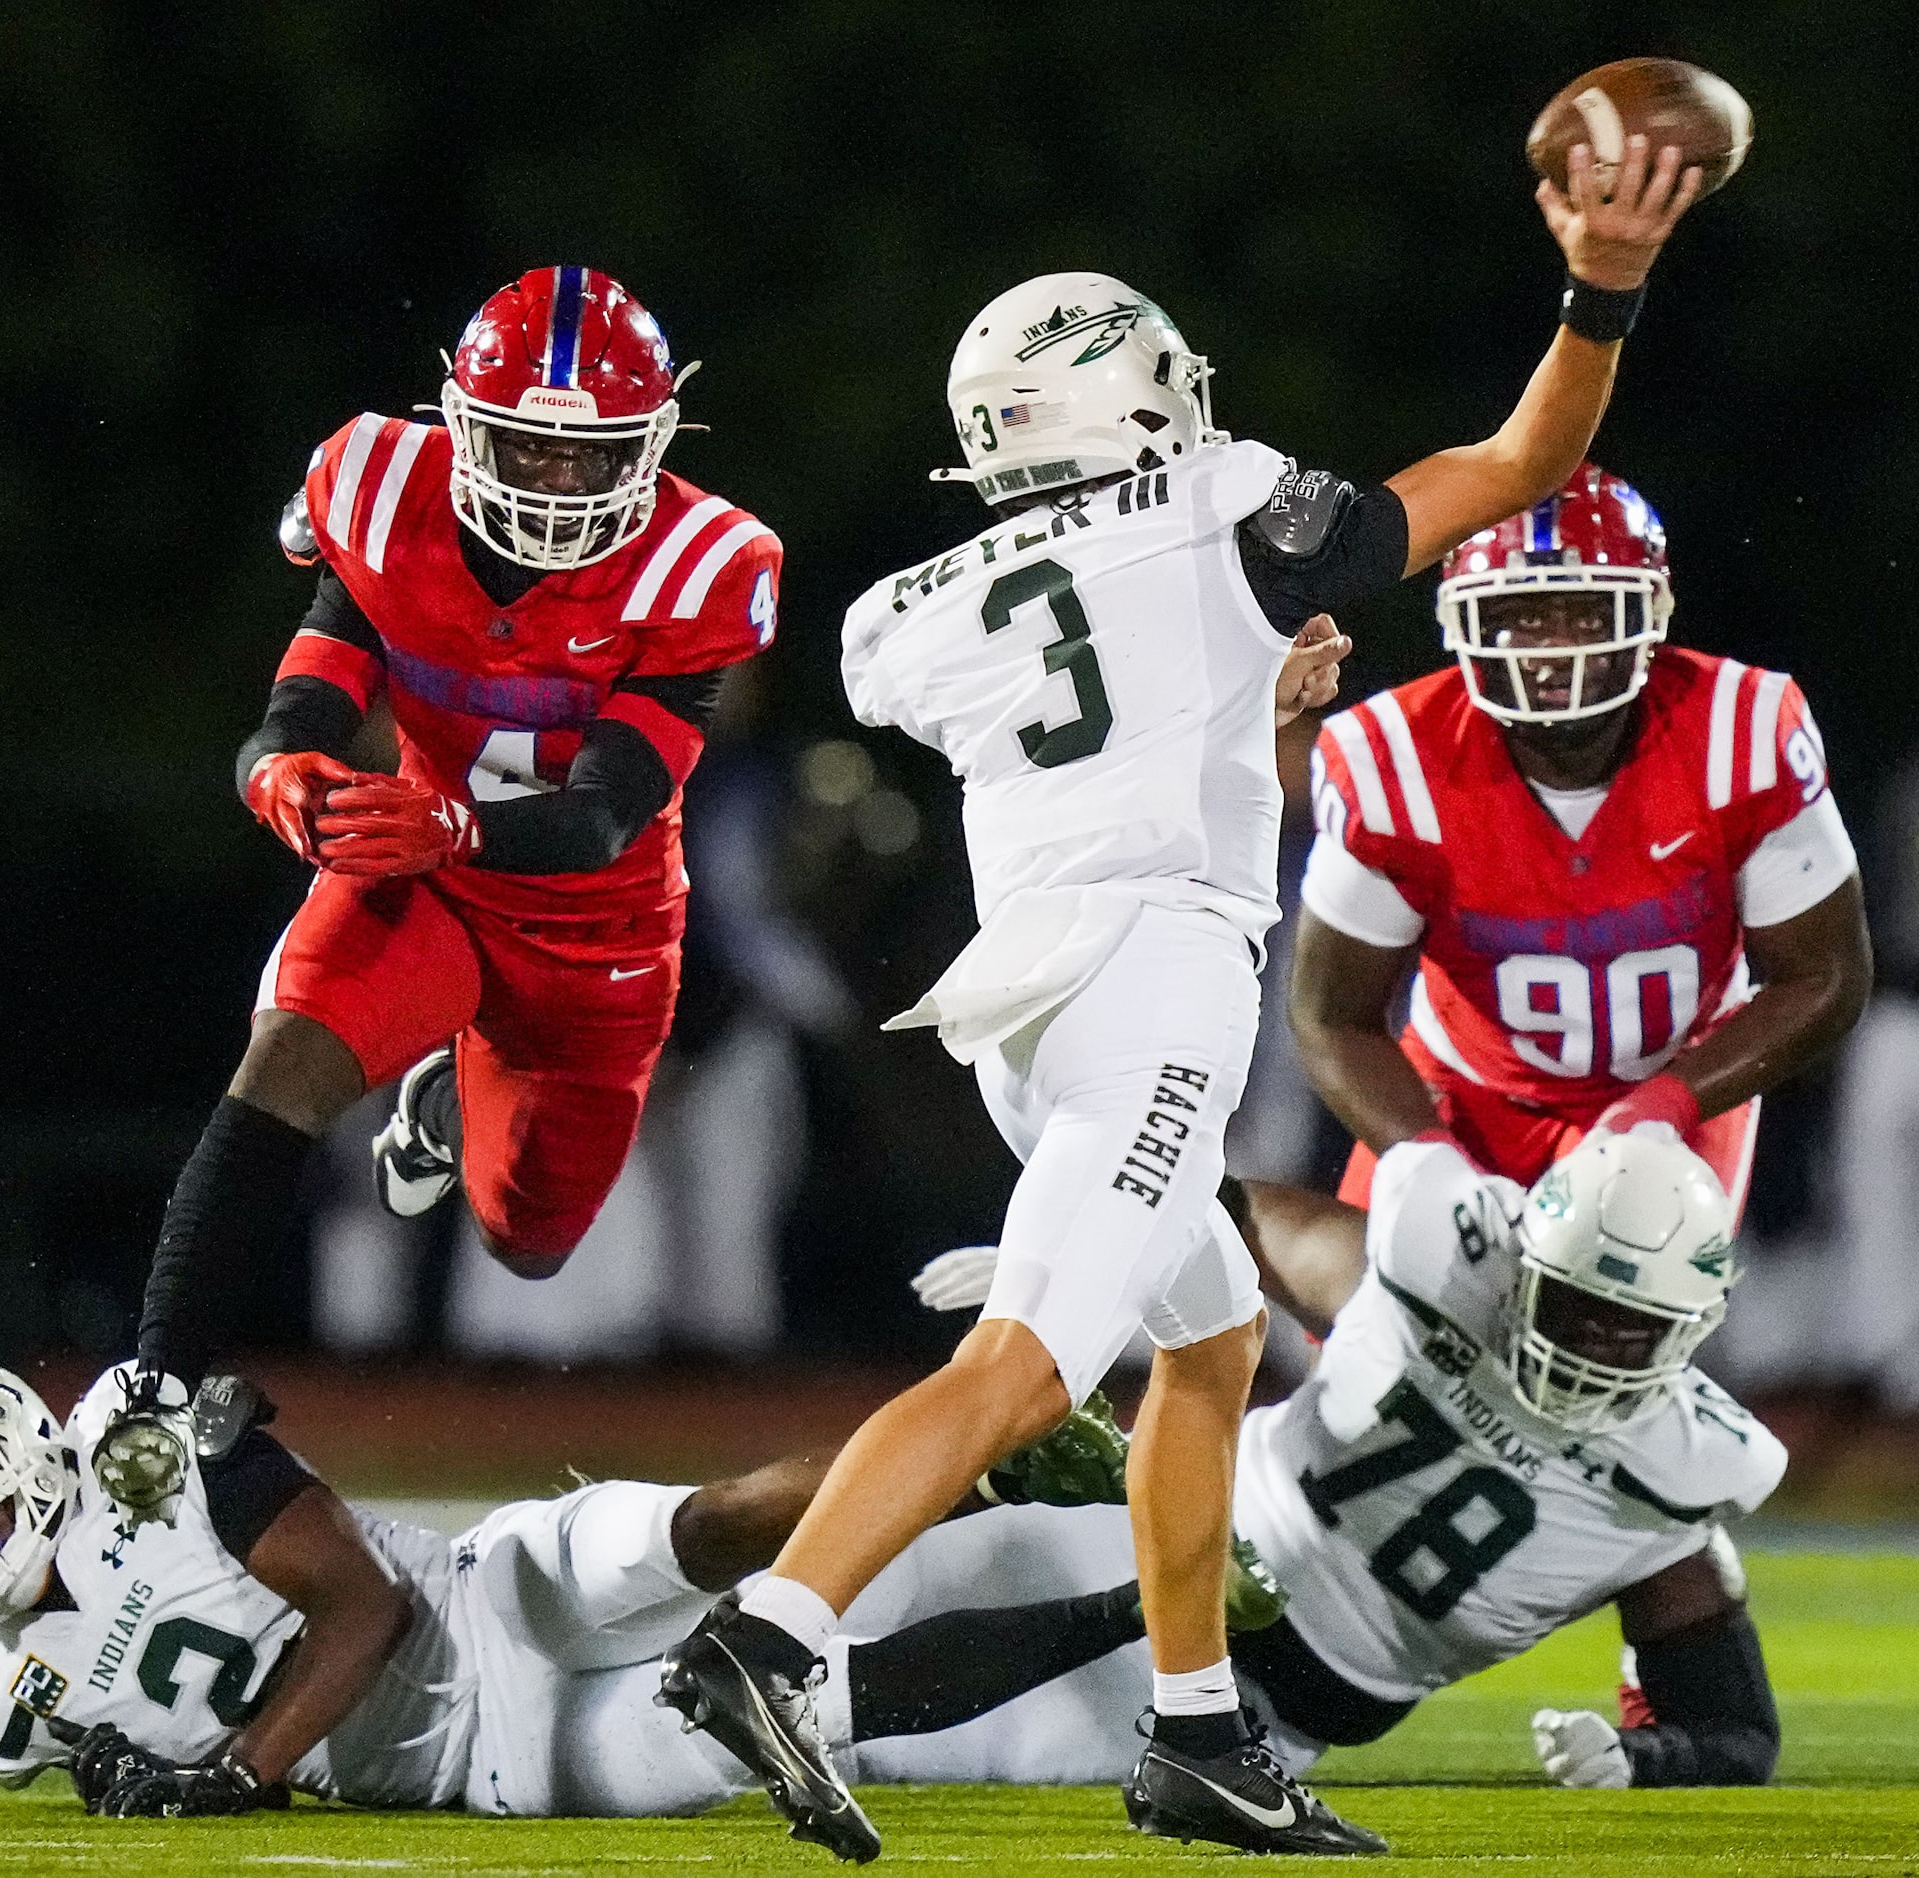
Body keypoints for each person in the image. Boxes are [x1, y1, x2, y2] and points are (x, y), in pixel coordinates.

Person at [664, 132, 1708, 1861]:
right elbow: (1521, 461)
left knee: (1209, 1340)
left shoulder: (913, 612)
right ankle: (773, 1631)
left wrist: (1255, 700)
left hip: (1024, 992)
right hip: (1149, 979)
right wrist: (1602, 288)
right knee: (1026, 1368)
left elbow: (1113, 702)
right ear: (1136, 397)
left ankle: (1199, 1730)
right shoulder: (1223, 504)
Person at [98, 267, 780, 1507]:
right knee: (284, 1062)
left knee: (530, 1241)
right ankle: (150, 1394)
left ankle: (450, 1098)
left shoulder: (704, 563)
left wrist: (451, 823)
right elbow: (304, 696)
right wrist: (280, 776)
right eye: (529, 447)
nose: (561, 484)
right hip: (430, 878)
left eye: (596, 456)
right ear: (462, 425)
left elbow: (604, 816)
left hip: (595, 934)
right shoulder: (374, 483)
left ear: (655, 444)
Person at [0, 1355, 1156, 1819]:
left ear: (18, 1432)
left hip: (491, 1593)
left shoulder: (143, 1453)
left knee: (708, 1524)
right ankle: (1145, 1604)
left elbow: (366, 1607)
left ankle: (997, 1461)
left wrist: (237, 1770)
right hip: (494, 1765)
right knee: (824, 1710)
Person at [918, 1124, 1786, 1791]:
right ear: (1526, 1264)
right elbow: (1239, 1223)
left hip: (1234, 1713)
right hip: (1135, 1530)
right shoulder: (1443, 1271)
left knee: (906, 1749)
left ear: (1692, 1328)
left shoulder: (1677, 1477)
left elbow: (1734, 1728)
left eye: (1629, 1329)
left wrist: (1644, 1759)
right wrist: (1093, 1263)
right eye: (1572, 1304)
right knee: (854, 1573)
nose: (1593, 1343)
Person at [1289, 466, 1872, 1211]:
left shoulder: (1741, 732)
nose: (1557, 650)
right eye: (1526, 617)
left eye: (1590, 616)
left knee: (1612, 1304)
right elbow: (1331, 1015)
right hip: (1462, 1093)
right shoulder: (1393, 757)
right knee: (1385, 1314)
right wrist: (1425, 1158)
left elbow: (1824, 976)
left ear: (1651, 615)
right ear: (1466, 623)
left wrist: (1671, 1102)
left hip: (1679, 1088)